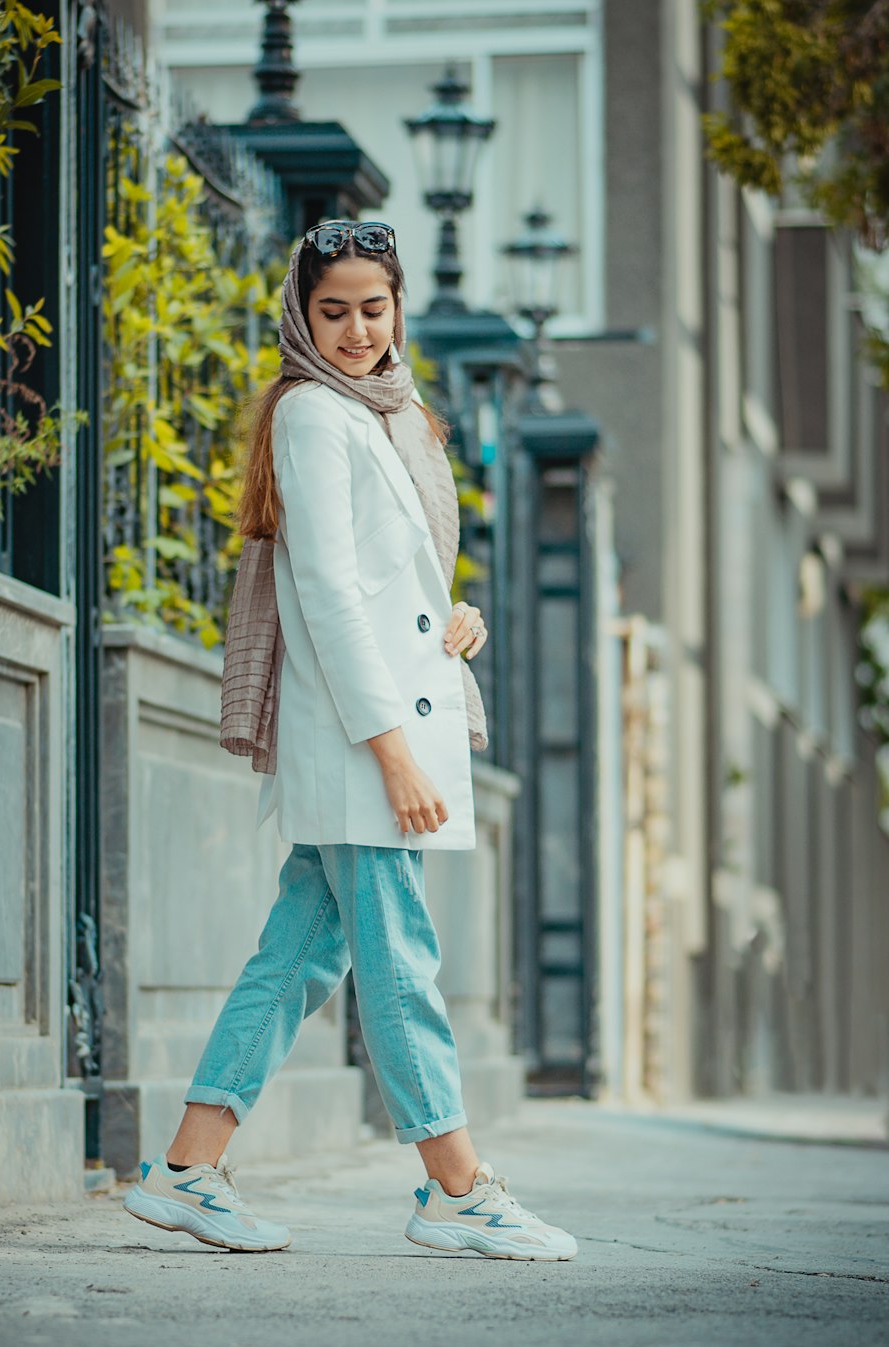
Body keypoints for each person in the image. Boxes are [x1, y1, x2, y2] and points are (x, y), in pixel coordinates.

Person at [123, 220, 577, 1262]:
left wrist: (455, 620)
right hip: (362, 737)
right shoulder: (314, 417)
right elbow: (324, 594)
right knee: (399, 959)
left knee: (299, 954)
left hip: (384, 721)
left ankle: (188, 1169)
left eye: (374, 308)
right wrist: (391, 753)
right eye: (335, 311)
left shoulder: (397, 415)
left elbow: (391, 583)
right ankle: (455, 1188)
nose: (358, 330)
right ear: (301, 313)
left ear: (398, 306)